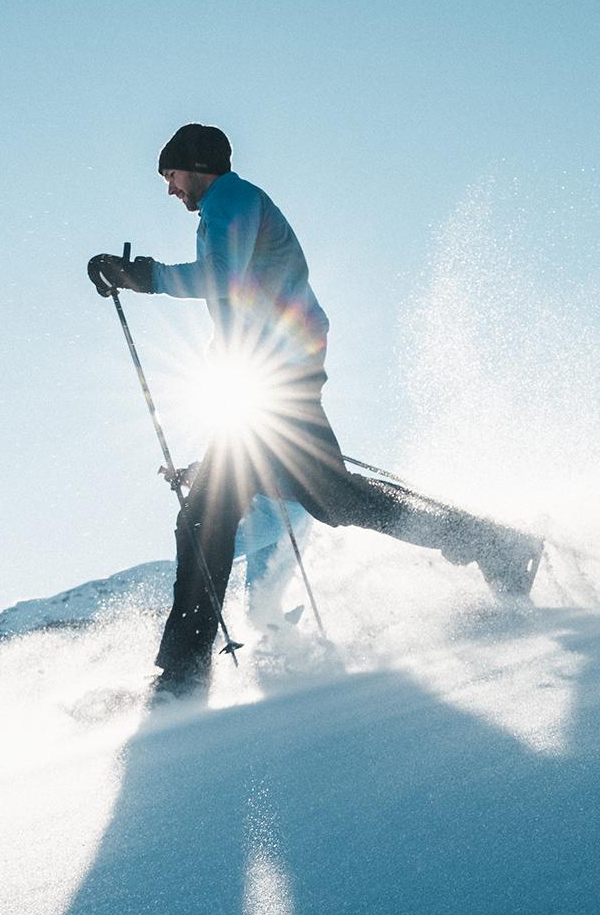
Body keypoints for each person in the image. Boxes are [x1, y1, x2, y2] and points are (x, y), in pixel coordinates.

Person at [89, 123, 542, 696]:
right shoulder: (224, 210)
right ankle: (490, 543)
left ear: (195, 165)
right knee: (328, 499)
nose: (170, 190)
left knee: (212, 517)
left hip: (275, 375)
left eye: (171, 176)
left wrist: (141, 275)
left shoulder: (230, 198)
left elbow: (223, 280)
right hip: (267, 377)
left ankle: (182, 673)